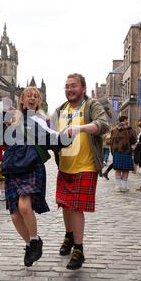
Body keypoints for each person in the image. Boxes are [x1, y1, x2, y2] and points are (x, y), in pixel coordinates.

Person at [0, 86, 74, 268]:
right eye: (28, 96)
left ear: (38, 101)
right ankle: (32, 244)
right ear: (22, 100)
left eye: (35, 96)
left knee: (24, 206)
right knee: (15, 216)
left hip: (31, 166)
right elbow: (3, 142)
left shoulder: (40, 120)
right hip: (13, 168)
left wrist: (66, 135)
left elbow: (52, 137)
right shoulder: (12, 118)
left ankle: (33, 240)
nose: (32, 98)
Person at [54, 73, 109, 270]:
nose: (69, 89)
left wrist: (80, 128)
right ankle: (69, 236)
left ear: (83, 88)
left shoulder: (91, 105)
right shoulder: (61, 109)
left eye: (73, 86)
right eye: (67, 86)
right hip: (65, 166)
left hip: (85, 165)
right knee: (65, 205)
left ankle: (79, 248)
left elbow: (103, 125)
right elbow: (49, 130)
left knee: (76, 207)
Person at [110, 116, 137, 192]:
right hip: (126, 151)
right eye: (127, 120)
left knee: (118, 170)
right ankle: (124, 187)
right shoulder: (129, 130)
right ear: (125, 120)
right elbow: (134, 140)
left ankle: (118, 186)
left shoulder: (114, 130)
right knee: (125, 170)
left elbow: (111, 142)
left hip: (116, 152)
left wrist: (112, 152)